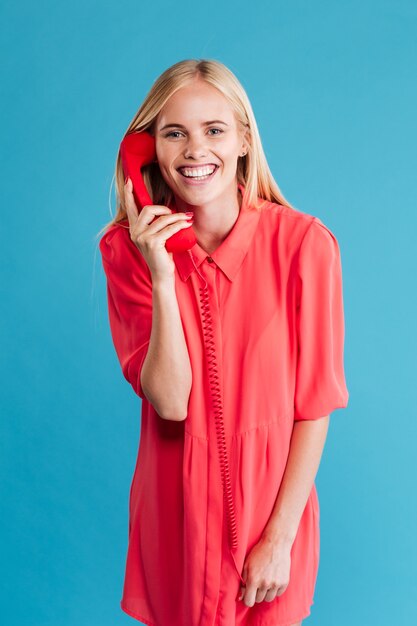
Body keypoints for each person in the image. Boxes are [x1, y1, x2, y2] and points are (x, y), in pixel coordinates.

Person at [98, 58, 349, 626]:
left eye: (213, 130)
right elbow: (170, 400)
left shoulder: (304, 245)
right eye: (173, 133)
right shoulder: (126, 252)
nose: (194, 150)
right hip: (177, 516)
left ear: (242, 140)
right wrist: (163, 275)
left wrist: (278, 539)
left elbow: (315, 408)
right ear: (147, 150)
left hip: (270, 517)